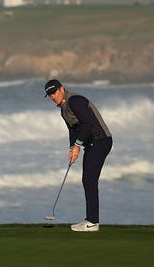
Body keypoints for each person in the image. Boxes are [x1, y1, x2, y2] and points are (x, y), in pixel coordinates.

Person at [44, 79, 113, 232]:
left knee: (89, 180)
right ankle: (91, 220)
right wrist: (72, 148)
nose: (52, 97)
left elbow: (88, 124)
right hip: (91, 144)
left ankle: (93, 222)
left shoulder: (75, 101)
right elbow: (73, 131)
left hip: (100, 140)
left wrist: (77, 145)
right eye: (49, 95)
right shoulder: (63, 109)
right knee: (88, 180)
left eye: (53, 93)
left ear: (61, 89)